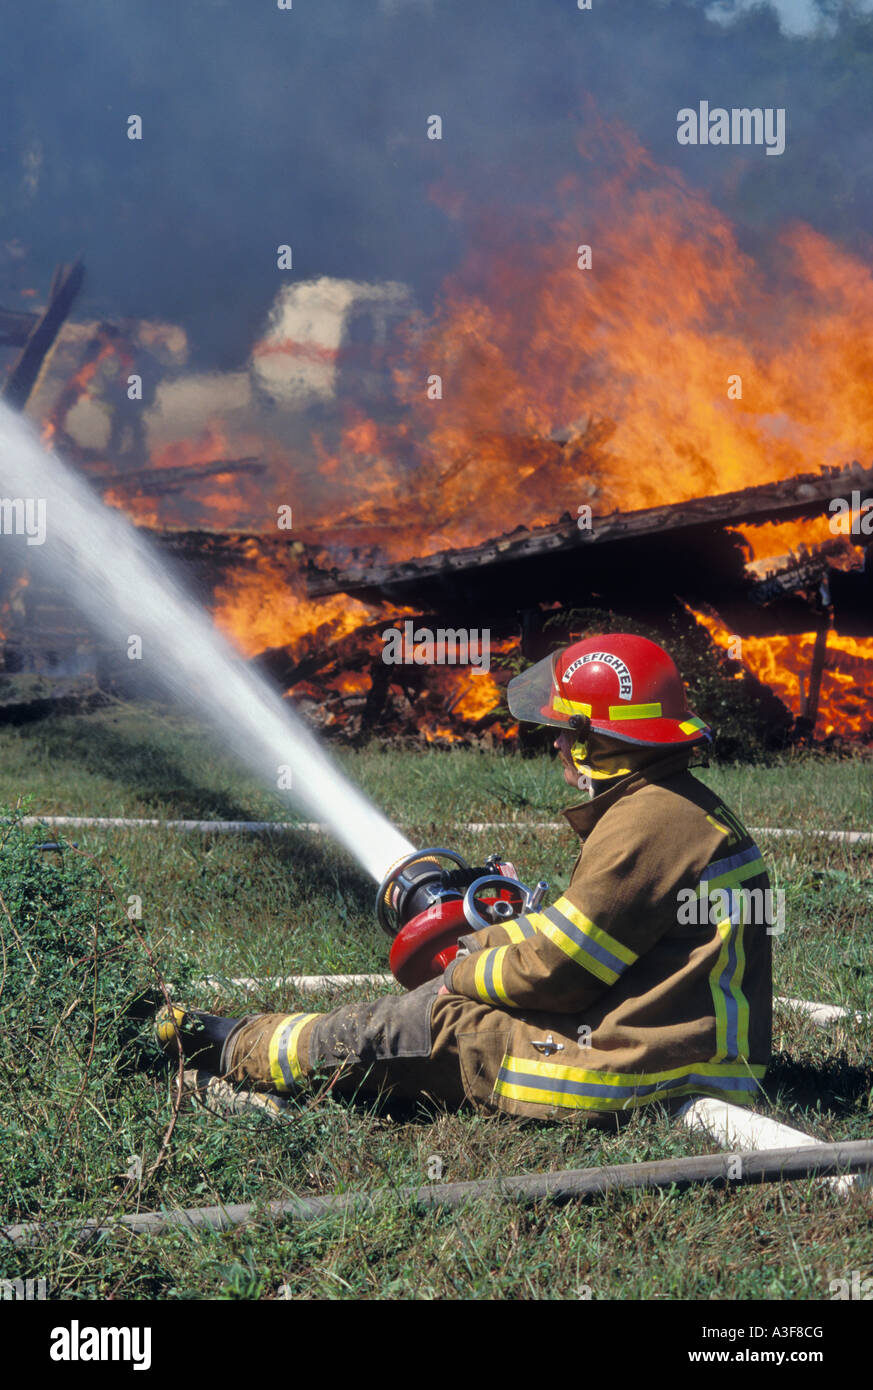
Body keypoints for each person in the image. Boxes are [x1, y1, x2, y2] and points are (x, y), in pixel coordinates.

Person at [156, 633, 772, 1123]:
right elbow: (574, 932)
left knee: (431, 1023)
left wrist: (457, 971)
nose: (555, 744)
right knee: (437, 1004)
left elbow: (560, 976)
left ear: (592, 741)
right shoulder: (674, 805)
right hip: (687, 1046)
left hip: (635, 1065)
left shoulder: (644, 825)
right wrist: (482, 942)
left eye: (564, 730)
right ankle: (235, 1038)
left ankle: (225, 1045)